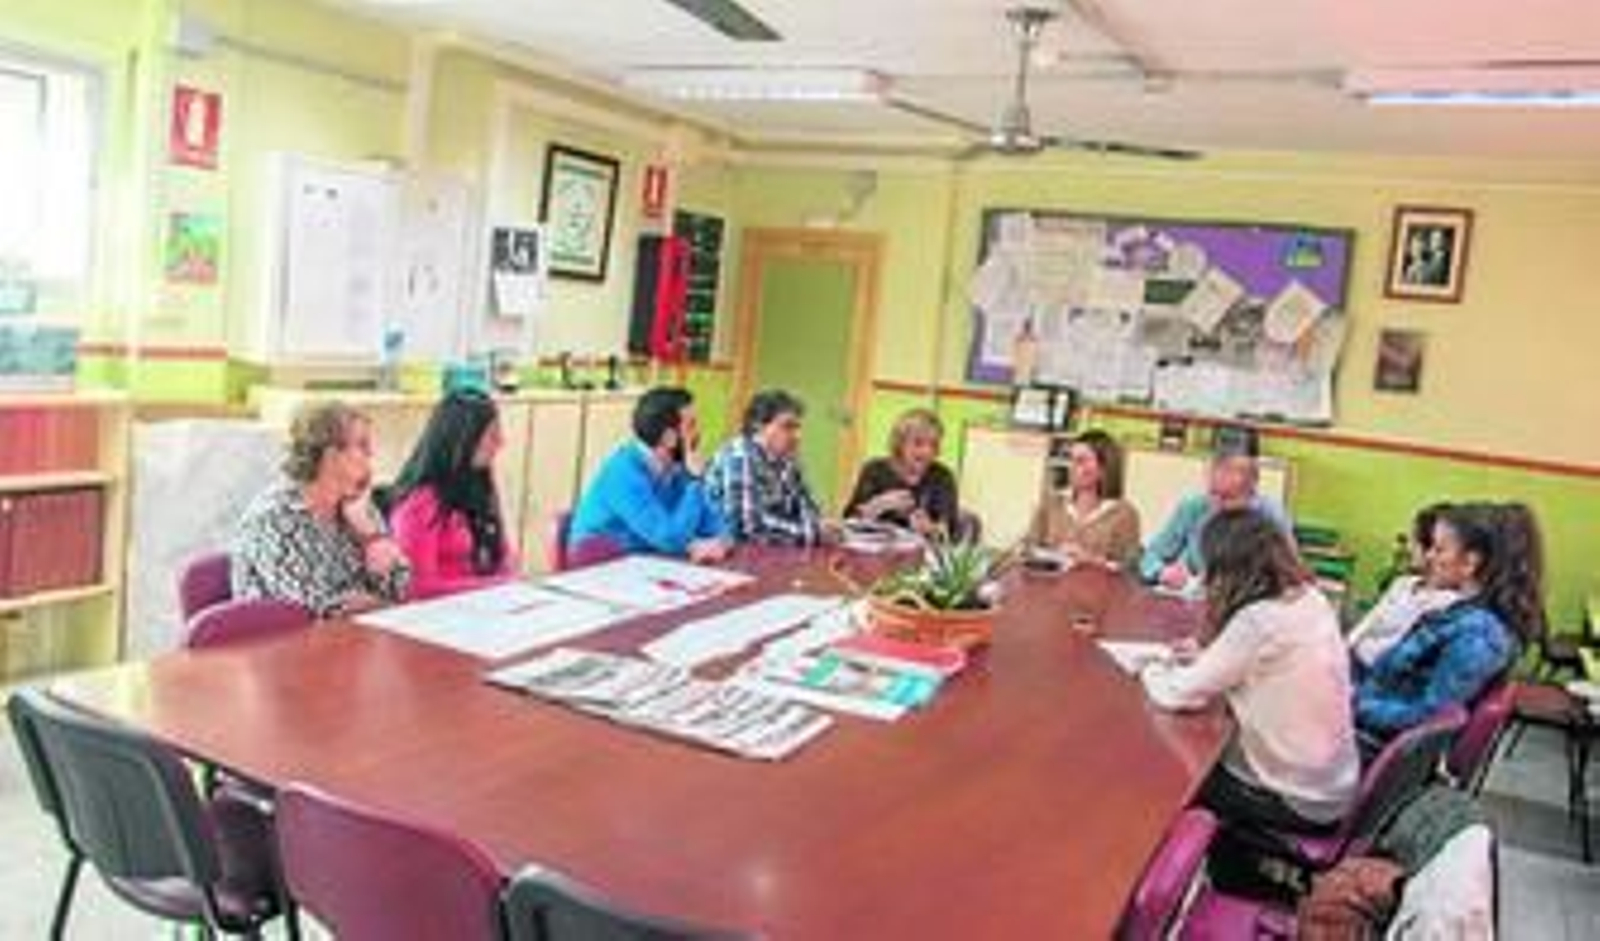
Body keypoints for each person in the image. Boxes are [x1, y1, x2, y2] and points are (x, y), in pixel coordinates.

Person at [1142, 508, 1359, 834]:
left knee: (1170, 772)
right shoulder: (1311, 599)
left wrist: (1150, 667)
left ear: (1228, 568)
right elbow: (1257, 663)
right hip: (1333, 783)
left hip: (1296, 798)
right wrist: (1208, 656)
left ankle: (1210, 868)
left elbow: (1177, 694)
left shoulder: (1258, 622)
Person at [1353, 502, 1544, 747]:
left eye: (1439, 549)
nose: (1429, 556)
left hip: (1371, 739)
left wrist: (1353, 706)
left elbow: (1428, 718)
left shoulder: (1478, 635)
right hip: (1369, 714)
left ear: (1469, 563)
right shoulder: (1464, 613)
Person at [233, 401, 410, 617]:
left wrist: (371, 536)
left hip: (352, 639)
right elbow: (321, 609)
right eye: (363, 445)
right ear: (332, 456)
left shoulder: (357, 506)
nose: (371, 453)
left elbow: (401, 588)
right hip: (285, 645)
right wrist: (383, 605)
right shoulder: (275, 517)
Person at [568, 386, 731, 562]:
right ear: (669, 438)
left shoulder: (676, 468)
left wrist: (720, 542)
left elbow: (716, 525)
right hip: (598, 567)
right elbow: (670, 539)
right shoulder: (623, 473)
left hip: (646, 562)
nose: (697, 434)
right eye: (691, 426)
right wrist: (695, 481)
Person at [386, 389, 519, 600]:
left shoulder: (481, 481)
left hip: (483, 607)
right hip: (436, 618)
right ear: (463, 439)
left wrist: (509, 583)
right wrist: (495, 587)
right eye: (492, 434)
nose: (501, 442)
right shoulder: (419, 502)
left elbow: (504, 556)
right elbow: (419, 588)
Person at [1139, 432, 1291, 591]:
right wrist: (1162, 572)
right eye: (1213, 493)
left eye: (1228, 497)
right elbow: (1151, 555)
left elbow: (1288, 576)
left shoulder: (1271, 516)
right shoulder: (1193, 507)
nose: (1218, 504)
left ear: (1252, 489)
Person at [704, 390, 825, 547]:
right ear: (758, 425)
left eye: (798, 427)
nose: (797, 436)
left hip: (769, 554)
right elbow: (747, 526)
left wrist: (819, 526)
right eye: (788, 427)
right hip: (728, 555)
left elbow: (809, 509)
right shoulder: (740, 455)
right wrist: (812, 532)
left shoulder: (787, 460)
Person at [1347, 503, 1460, 667]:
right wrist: (1344, 650)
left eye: (1414, 541)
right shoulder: (1404, 583)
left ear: (1432, 548)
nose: (1408, 548)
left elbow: (1400, 654)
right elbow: (1370, 620)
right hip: (1354, 661)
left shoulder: (1445, 603)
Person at [1028, 429, 1141, 569]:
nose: (1071, 467)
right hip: (1052, 586)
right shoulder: (1051, 503)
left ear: (1103, 468)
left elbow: (1130, 569)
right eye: (1070, 459)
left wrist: (1092, 559)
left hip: (1097, 589)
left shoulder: (1125, 514)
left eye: (1081, 461)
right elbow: (1029, 550)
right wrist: (1055, 555)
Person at [844, 408, 961, 538]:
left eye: (933, 445)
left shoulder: (942, 476)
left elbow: (950, 531)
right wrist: (880, 504)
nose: (927, 452)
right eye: (918, 443)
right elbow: (849, 522)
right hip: (876, 551)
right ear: (900, 443)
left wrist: (929, 528)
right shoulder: (874, 470)